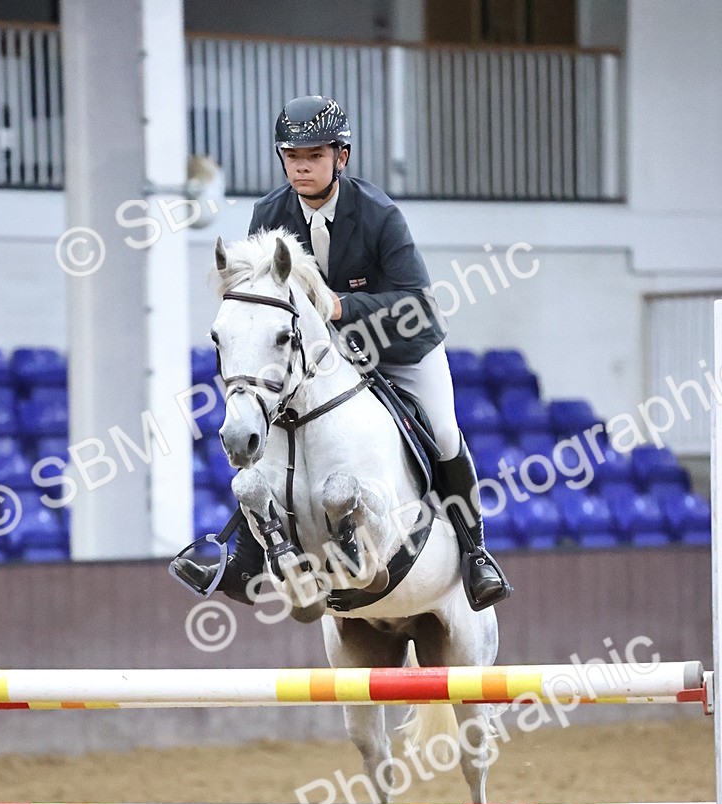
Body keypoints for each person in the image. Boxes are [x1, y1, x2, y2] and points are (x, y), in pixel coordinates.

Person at [212, 94, 511, 611]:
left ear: (341, 157)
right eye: (292, 156)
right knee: (272, 424)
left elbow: (417, 303)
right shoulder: (269, 212)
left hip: (398, 346)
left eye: (314, 155)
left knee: (441, 430)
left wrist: (340, 306)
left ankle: (474, 551)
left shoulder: (377, 213)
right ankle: (245, 552)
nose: (301, 166)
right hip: (323, 356)